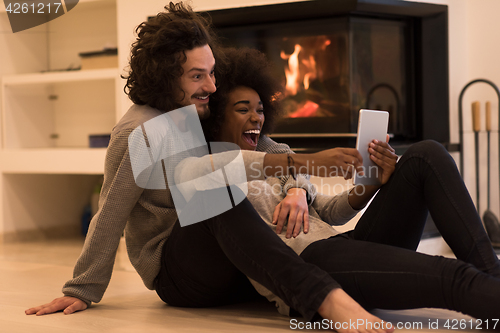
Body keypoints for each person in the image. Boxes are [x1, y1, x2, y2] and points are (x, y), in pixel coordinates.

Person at [25, 3, 394, 333]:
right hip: (181, 273)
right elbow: (110, 211)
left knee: (232, 188)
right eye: (198, 76)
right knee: (214, 187)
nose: (213, 86)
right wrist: (82, 290)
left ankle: (335, 285)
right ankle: (324, 300)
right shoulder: (140, 131)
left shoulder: (196, 111)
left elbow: (272, 147)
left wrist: (297, 186)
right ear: (166, 76)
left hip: (230, 259)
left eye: (212, 73)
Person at [205, 47, 500, 323]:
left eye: (260, 109)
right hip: (311, 268)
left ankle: (494, 277)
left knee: (427, 154)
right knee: (451, 275)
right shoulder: (212, 169)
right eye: (243, 109)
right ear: (217, 119)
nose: (256, 117)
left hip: (340, 247)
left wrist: (371, 185)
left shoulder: (274, 159)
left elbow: (329, 213)